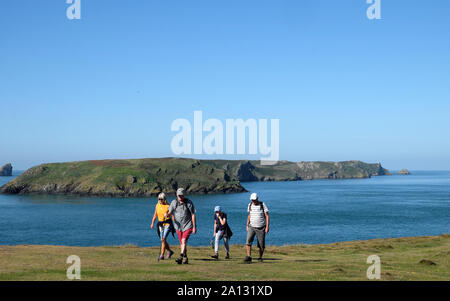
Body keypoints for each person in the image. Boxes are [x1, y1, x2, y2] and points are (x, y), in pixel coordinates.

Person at [166, 188, 197, 264]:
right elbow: (170, 212)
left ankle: (180, 256)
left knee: (183, 240)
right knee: (182, 243)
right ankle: (185, 258)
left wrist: (194, 227)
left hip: (188, 225)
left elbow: (193, 215)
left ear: (184, 195)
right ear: (177, 195)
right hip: (178, 227)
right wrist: (167, 214)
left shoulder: (189, 203)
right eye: (179, 195)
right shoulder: (174, 202)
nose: (180, 197)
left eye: (181, 195)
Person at [244, 192, 269, 263]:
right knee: (248, 241)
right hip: (251, 226)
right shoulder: (250, 205)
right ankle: (249, 256)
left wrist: (267, 227)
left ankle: (260, 257)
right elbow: (249, 215)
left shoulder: (262, 204)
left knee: (261, 244)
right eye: (252, 200)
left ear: (257, 199)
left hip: (261, 227)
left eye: (254, 200)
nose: (253, 201)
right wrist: (247, 225)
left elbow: (267, 216)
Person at [151, 192, 175, 261]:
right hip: (160, 224)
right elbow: (155, 215)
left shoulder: (168, 206)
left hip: (167, 224)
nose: (160, 200)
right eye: (159, 199)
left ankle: (162, 255)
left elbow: (172, 215)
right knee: (162, 240)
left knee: (163, 239)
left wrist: (175, 224)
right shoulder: (157, 205)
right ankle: (170, 251)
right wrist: (152, 223)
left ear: (164, 199)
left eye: (161, 199)